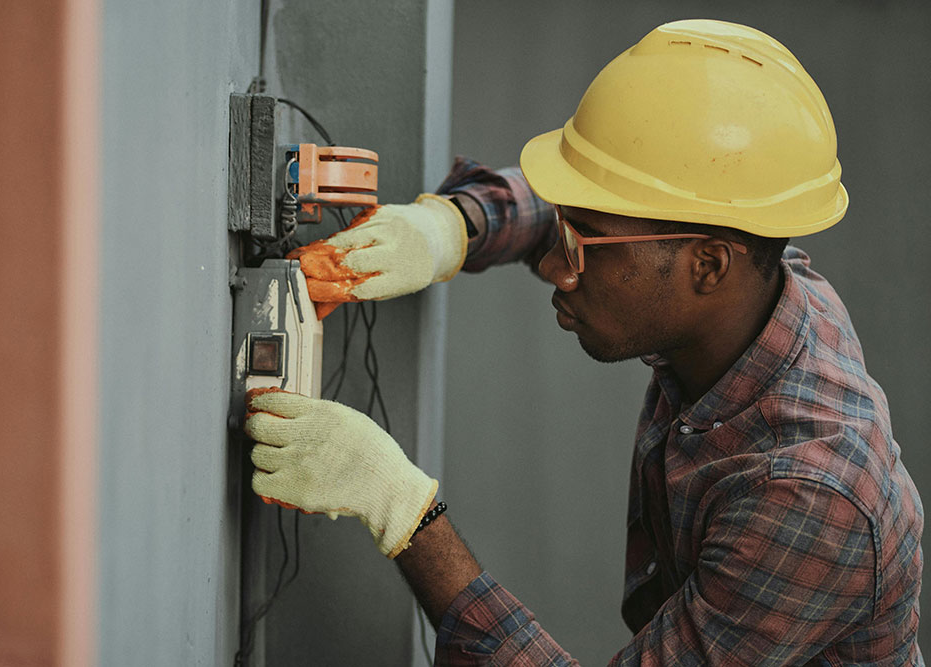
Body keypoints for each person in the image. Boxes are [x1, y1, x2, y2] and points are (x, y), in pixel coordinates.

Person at [243, 19, 923, 665]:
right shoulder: (749, 279)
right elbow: (603, 210)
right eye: (566, 231)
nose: (554, 266)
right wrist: (452, 226)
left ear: (708, 265)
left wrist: (403, 511)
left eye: (581, 244)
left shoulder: (812, 495)